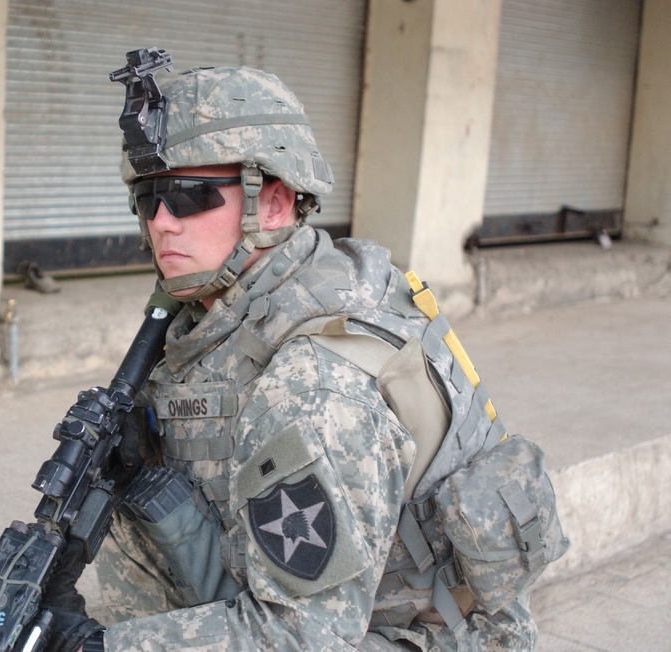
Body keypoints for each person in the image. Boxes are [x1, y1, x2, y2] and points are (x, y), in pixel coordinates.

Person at [44, 61, 546, 652]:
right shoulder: (252, 296)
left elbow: (302, 637)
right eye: (147, 197)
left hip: (421, 635)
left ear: (276, 202)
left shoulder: (314, 386)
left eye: (187, 195)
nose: (160, 223)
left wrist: (98, 649)